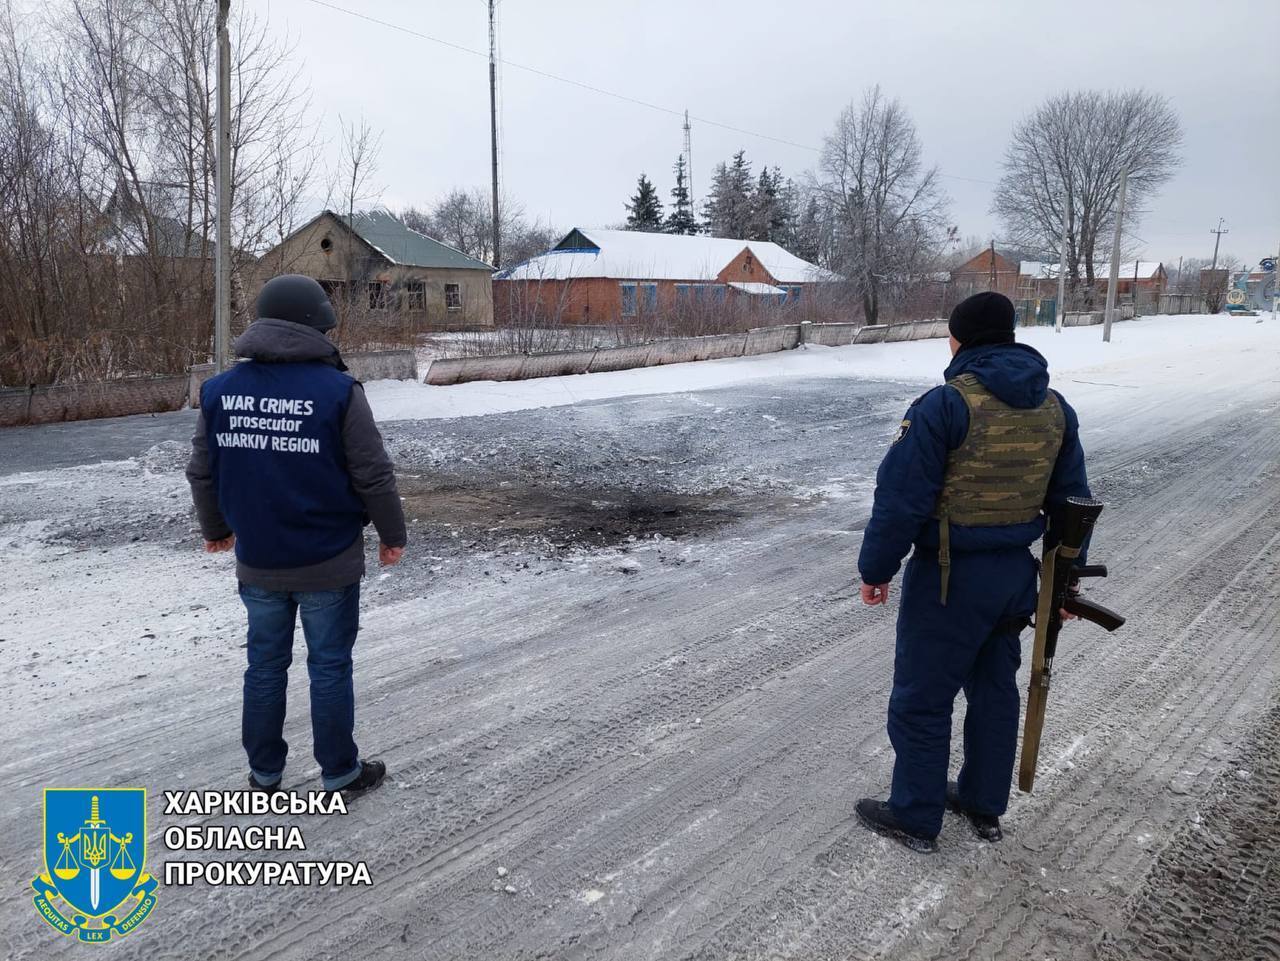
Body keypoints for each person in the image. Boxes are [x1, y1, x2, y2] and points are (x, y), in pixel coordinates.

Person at [854, 291, 1091, 853]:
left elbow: (900, 499)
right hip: (1015, 577)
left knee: (921, 700)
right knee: (994, 692)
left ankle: (915, 815)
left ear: (959, 340)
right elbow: (1072, 504)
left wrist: (876, 569)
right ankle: (983, 805)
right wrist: (1064, 581)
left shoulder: (944, 406)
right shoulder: (1054, 407)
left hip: (947, 577)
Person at [186, 274, 407, 800]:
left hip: (258, 559)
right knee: (329, 665)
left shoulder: (219, 391)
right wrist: (392, 534)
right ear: (316, 326)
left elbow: (202, 472)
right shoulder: (337, 391)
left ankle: (263, 777)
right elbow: (373, 474)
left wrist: (216, 528)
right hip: (327, 558)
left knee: (264, 666)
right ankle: (340, 774)